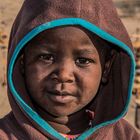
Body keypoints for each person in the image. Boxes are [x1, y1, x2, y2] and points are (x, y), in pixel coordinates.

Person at [0, 0, 140, 139]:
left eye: (83, 61)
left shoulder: (125, 136)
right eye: (47, 57)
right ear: (22, 61)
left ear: (106, 69)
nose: (63, 75)